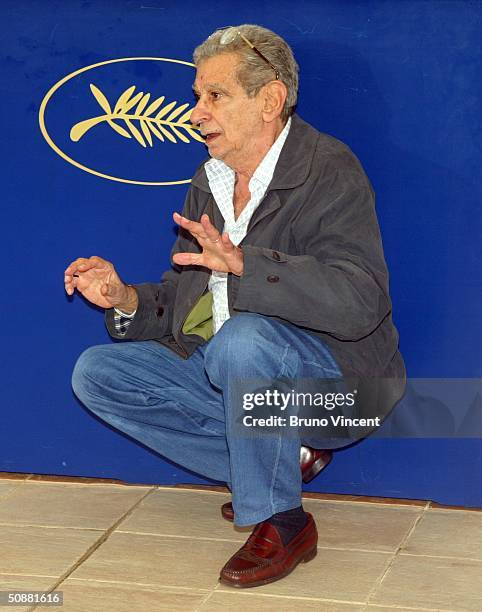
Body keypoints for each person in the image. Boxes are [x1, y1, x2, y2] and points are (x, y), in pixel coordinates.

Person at [66, 24, 405, 588]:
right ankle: (278, 465)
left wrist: (250, 267)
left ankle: (283, 518)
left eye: (214, 96)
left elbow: (360, 301)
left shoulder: (330, 169)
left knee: (242, 340)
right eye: (197, 96)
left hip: (347, 389)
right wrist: (124, 298)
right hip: (228, 369)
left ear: (270, 100)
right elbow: (184, 298)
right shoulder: (210, 179)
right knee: (97, 374)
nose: (196, 112)